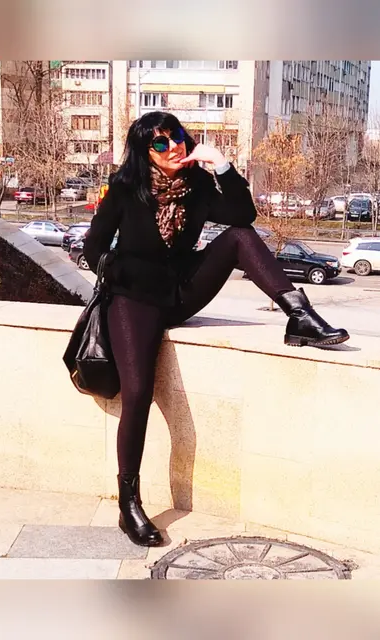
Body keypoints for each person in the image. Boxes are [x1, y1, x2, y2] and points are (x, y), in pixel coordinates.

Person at [82, 111, 349, 548]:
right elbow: (93, 248)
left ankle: (299, 314)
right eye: (160, 143)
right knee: (138, 394)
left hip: (181, 290)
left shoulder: (197, 185)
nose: (174, 147)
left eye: (177, 136)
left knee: (240, 237)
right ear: (145, 152)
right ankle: (129, 502)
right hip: (133, 300)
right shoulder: (126, 188)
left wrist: (221, 165)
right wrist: (122, 274)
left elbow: (243, 214)